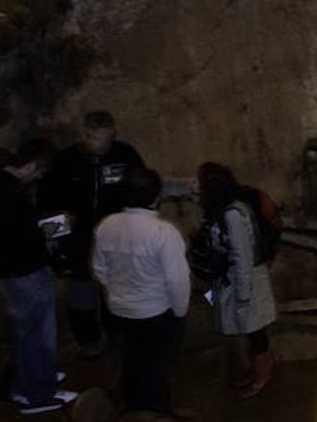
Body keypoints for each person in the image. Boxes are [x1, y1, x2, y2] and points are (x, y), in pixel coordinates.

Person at [0, 139, 79, 415]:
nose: (38, 180)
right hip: (25, 271)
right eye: (40, 174)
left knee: (23, 332)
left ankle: (25, 384)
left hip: (3, 271)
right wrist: (54, 229)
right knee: (39, 335)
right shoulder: (11, 193)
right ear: (33, 166)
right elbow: (25, 237)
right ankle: (40, 395)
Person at [39, 111, 145, 354]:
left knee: (116, 293)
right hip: (78, 244)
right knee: (81, 296)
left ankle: (117, 334)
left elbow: (140, 189)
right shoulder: (65, 162)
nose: (103, 145)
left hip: (117, 240)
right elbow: (48, 203)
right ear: (85, 135)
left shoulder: (124, 155)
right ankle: (88, 341)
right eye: (97, 139)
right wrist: (56, 244)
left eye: (108, 138)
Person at [91, 167, 189, 417]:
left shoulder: (106, 226)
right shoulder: (164, 233)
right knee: (157, 367)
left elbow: (99, 269)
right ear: (157, 197)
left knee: (132, 361)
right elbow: (177, 281)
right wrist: (180, 312)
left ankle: (133, 406)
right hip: (155, 312)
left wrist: (117, 294)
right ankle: (156, 412)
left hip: (119, 310)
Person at [195, 162, 279, 397]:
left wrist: (244, 295)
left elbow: (242, 256)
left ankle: (262, 373)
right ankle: (256, 370)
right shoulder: (226, 209)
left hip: (246, 279)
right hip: (236, 278)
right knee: (250, 329)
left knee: (255, 329)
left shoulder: (232, 214)